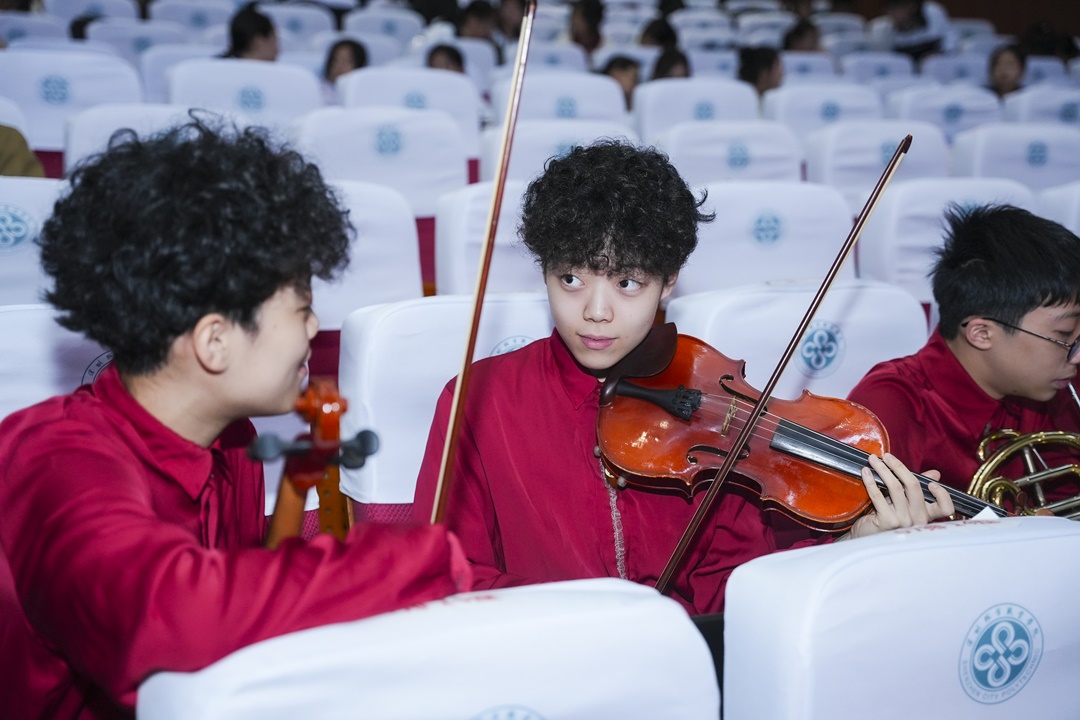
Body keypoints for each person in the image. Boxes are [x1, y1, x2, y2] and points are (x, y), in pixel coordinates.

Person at [0, 120, 469, 719]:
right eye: (302, 308)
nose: (314, 329)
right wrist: (420, 557)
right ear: (214, 342)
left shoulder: (233, 443)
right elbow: (166, 621)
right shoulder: (52, 455)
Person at [412, 141, 954, 615]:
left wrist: (852, 542)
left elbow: (733, 591)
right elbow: (451, 574)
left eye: (627, 283)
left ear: (668, 282)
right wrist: (588, 623)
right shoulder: (477, 400)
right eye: (571, 278)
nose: (596, 311)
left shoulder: (716, 410)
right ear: (544, 270)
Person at [848, 204, 1080, 503]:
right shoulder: (892, 404)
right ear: (981, 334)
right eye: (1064, 335)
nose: (1076, 356)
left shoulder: (1060, 382)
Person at [868, 0, 955, 62]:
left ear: (913, 6)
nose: (893, 12)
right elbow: (885, 61)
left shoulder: (933, 13)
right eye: (890, 8)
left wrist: (942, 53)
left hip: (935, 64)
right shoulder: (882, 30)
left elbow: (951, 37)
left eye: (898, 7)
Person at [322, 38, 367, 103]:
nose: (340, 66)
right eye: (335, 61)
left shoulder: (366, 94)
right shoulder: (319, 92)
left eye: (347, 62)